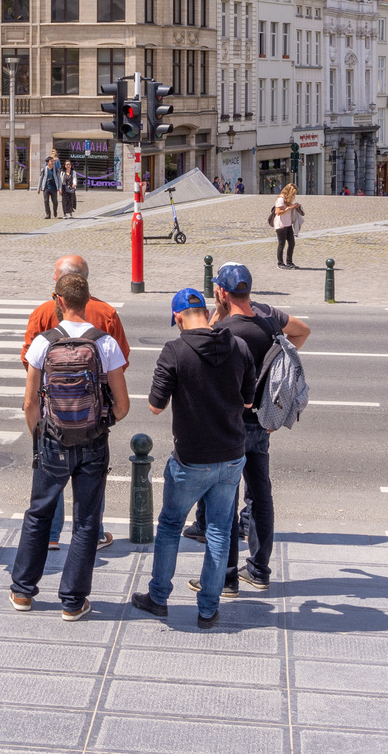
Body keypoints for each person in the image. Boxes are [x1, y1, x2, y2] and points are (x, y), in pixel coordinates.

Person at [185, 262, 312, 595]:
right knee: (259, 495)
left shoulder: (228, 330)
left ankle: (225, 577)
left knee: (224, 500)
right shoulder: (269, 316)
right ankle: (258, 570)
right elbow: (302, 332)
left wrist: (217, 310)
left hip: (231, 424)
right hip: (262, 422)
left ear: (223, 292)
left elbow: (201, 352)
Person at [9, 273, 130, 620]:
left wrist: (42, 434)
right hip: (92, 442)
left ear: (58, 300)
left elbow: (30, 402)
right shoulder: (104, 344)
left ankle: (22, 591)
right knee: (87, 521)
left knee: (39, 514)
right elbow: (122, 406)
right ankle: (73, 601)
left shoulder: (43, 343)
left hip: (52, 440)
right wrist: (101, 421)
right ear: (87, 300)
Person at [130, 289, 253, 627]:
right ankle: (208, 609)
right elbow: (247, 401)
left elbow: (155, 406)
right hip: (231, 455)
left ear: (180, 317)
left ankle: (158, 597)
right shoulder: (238, 347)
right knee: (219, 530)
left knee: (170, 525)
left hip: (191, 458)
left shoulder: (175, 350)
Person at [22, 255, 129, 551]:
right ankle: (93, 534)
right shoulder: (106, 313)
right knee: (91, 488)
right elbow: (121, 363)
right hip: (92, 420)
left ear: (59, 292)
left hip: (53, 420)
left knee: (49, 485)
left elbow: (27, 361)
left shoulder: (44, 312)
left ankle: (52, 535)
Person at [273, 184, 305, 269]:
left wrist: (295, 206)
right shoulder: (281, 199)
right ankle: (280, 263)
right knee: (281, 244)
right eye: (293, 193)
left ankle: (289, 262)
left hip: (288, 224)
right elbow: (278, 212)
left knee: (291, 243)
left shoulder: (287, 200)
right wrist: (289, 208)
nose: (294, 195)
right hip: (281, 225)